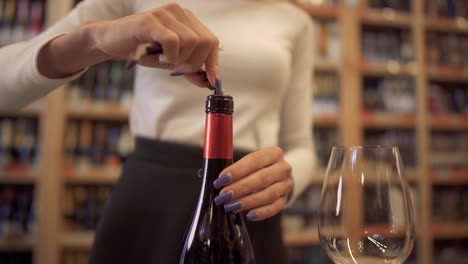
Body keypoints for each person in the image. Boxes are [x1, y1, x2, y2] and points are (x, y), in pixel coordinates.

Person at [0, 0, 317, 263]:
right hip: (150, 204)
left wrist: (285, 180)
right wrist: (96, 40)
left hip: (248, 209)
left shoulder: (295, 20)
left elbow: (301, 145)